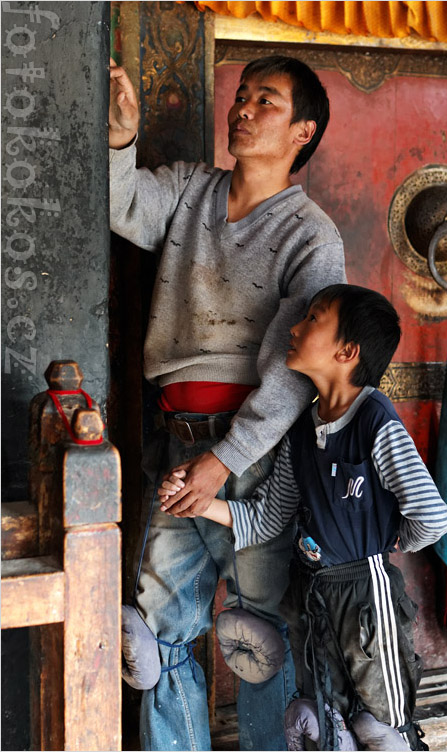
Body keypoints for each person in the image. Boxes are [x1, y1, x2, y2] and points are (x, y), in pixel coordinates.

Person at [109, 54, 346, 751]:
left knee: (260, 635)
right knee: (154, 635)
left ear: (302, 131)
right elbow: (125, 206)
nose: (242, 109)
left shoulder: (311, 236)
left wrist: (225, 457)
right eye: (241, 96)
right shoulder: (189, 191)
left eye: (265, 101)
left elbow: (296, 371)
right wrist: (121, 138)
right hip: (177, 442)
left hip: (257, 458)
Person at [161, 284, 447, 751]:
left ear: (347, 351)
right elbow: (267, 518)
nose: (294, 329)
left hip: (364, 596)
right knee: (328, 724)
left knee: (383, 725)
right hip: (312, 595)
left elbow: (433, 518)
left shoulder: (375, 420)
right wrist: (198, 501)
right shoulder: (302, 428)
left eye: (313, 319)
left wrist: (381, 545)